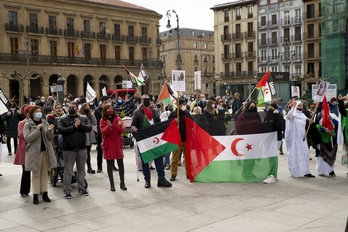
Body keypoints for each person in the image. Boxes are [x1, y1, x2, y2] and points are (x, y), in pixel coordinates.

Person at [131, 94, 172, 188]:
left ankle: (161, 179)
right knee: (145, 161)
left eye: (148, 99)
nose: (146, 101)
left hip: (154, 140)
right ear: (141, 100)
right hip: (144, 141)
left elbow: (159, 124)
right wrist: (133, 128)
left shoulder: (154, 112)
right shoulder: (137, 113)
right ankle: (147, 181)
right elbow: (133, 125)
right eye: (144, 99)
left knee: (159, 160)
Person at [58, 101, 92, 199]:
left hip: (82, 148)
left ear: (77, 108)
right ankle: (67, 191)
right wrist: (74, 127)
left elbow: (89, 128)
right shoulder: (63, 119)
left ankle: (82, 188)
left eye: (73, 107)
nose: (71, 108)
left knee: (81, 170)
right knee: (68, 171)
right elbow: (61, 130)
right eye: (69, 106)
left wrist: (80, 125)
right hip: (68, 149)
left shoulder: (83, 118)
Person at [23, 106, 57, 204]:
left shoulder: (45, 122)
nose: (39, 113)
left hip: (46, 152)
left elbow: (49, 138)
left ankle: (45, 193)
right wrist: (37, 130)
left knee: (45, 173)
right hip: (34, 153)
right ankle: (35, 194)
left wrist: (50, 131)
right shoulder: (28, 124)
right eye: (37, 111)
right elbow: (28, 138)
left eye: (40, 111)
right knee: (36, 174)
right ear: (32, 113)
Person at [285, 101, 315, 178]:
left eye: (301, 105)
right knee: (296, 155)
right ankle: (295, 171)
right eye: (299, 105)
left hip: (302, 138)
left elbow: (307, 120)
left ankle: (306, 171)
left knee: (305, 154)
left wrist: (310, 121)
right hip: (295, 139)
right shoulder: (293, 115)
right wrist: (293, 107)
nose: (301, 106)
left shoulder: (302, 115)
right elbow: (288, 117)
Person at [100, 104, 127, 191]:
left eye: (111, 108)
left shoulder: (118, 119)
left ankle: (122, 183)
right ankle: (112, 184)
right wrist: (109, 126)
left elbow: (122, 130)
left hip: (117, 144)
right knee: (109, 164)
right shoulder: (102, 120)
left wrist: (119, 126)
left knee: (120, 164)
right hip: (108, 144)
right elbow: (103, 132)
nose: (110, 109)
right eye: (108, 108)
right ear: (105, 110)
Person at [314, 102, 342, 177]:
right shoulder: (318, 115)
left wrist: (332, 119)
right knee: (322, 155)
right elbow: (315, 125)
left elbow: (339, 124)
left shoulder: (333, 115)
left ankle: (330, 170)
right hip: (322, 139)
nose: (328, 107)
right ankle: (321, 171)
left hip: (331, 138)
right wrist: (324, 130)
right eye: (326, 106)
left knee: (331, 155)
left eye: (329, 106)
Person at [262, 103, 284, 183]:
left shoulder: (277, 116)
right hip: (268, 138)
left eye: (271, 108)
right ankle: (273, 173)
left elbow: (279, 126)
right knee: (270, 156)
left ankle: (272, 174)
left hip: (275, 138)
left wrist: (277, 116)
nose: (269, 109)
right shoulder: (267, 116)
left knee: (272, 155)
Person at [169, 98, 191, 181]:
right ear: (178, 105)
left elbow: (191, 124)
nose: (184, 106)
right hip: (176, 139)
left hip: (186, 138)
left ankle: (188, 173)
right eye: (183, 104)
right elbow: (168, 126)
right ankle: (173, 174)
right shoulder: (173, 114)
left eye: (185, 104)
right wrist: (174, 122)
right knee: (175, 158)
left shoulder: (187, 114)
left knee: (187, 158)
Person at [14, 105, 33, 197]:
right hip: (25, 149)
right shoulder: (22, 123)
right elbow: (22, 135)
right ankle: (24, 191)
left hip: (36, 149)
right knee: (26, 171)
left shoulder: (39, 122)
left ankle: (40, 190)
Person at [94, 96, 115, 173]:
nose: (108, 103)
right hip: (101, 133)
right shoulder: (97, 110)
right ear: (102, 102)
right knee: (100, 150)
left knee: (112, 149)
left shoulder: (112, 110)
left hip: (111, 133)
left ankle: (112, 165)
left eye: (109, 101)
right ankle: (99, 166)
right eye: (106, 102)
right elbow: (97, 121)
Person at [79, 103, 97, 174]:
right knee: (84, 153)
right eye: (86, 107)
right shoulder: (80, 115)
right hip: (83, 135)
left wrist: (91, 114)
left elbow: (94, 122)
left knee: (88, 152)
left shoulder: (90, 115)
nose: (87, 108)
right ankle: (83, 167)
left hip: (89, 135)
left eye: (88, 107)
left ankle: (89, 167)